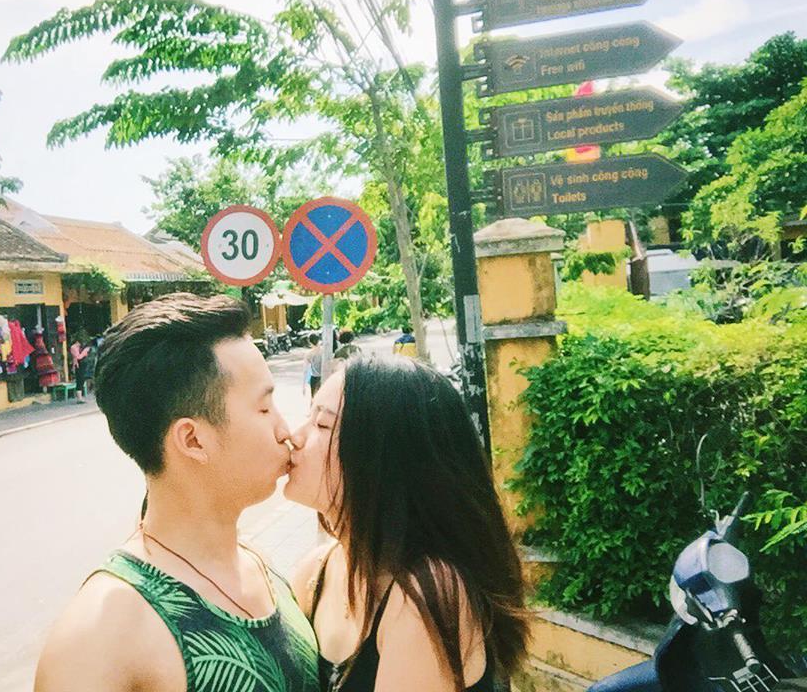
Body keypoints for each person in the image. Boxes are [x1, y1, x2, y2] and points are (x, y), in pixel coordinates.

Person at [34, 293, 319, 692]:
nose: (285, 430)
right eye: (264, 408)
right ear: (193, 440)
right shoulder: (102, 635)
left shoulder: (258, 565)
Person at [285, 355, 529, 692]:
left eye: (322, 425)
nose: (294, 436)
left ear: (382, 459)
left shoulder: (426, 594)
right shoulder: (316, 572)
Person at [303, 333, 323, 398]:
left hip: (314, 379)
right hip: (324, 377)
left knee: (314, 399)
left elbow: (305, 370)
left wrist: (304, 386)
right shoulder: (324, 351)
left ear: (309, 341)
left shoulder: (308, 354)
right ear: (318, 340)